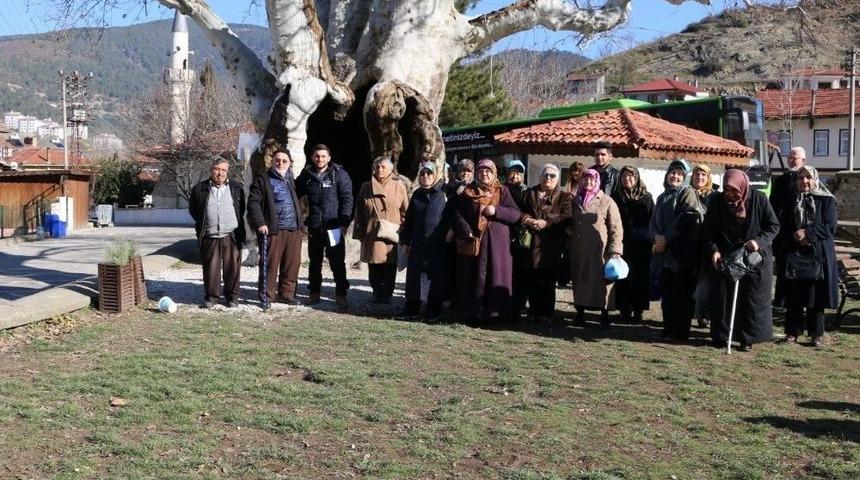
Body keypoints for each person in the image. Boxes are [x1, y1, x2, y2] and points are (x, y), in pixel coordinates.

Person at [702, 169, 780, 351]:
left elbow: (773, 226)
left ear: (743, 187)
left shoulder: (759, 200)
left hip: (754, 258)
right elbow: (707, 232)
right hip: (727, 256)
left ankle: (748, 338)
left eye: (735, 190)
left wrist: (758, 242)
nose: (730, 194)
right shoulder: (717, 202)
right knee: (723, 297)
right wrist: (714, 250)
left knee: (751, 298)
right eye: (727, 190)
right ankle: (721, 335)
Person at [453, 158, 522, 324]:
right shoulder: (468, 192)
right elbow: (457, 214)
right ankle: (473, 313)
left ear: (494, 173)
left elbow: (515, 214)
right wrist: (467, 231)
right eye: (481, 171)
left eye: (488, 171)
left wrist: (496, 211)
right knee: (473, 277)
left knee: (495, 276)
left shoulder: (502, 191)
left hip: (496, 245)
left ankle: (495, 315)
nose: (484, 174)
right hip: (474, 243)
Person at [777, 165, 838, 347]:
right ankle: (792, 332)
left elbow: (830, 226)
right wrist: (795, 235)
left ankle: (815, 334)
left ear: (815, 179)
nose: (804, 181)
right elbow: (782, 225)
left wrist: (808, 234)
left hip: (818, 253)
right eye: (800, 178)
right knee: (794, 292)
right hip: (794, 251)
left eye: (808, 178)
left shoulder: (826, 200)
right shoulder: (790, 200)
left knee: (815, 294)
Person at [650, 159, 704, 341]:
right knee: (668, 293)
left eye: (679, 174)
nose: (675, 176)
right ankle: (668, 328)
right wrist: (656, 237)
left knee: (681, 295)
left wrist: (666, 238)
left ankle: (680, 333)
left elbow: (685, 219)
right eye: (672, 173)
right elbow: (653, 221)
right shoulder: (662, 196)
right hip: (663, 252)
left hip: (682, 254)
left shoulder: (688, 193)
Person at [295, 144, 354, 311]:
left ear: (329, 158)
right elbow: (294, 193)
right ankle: (314, 293)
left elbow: (347, 199)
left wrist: (343, 223)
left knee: (337, 263)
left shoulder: (339, 174)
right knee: (315, 263)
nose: (319, 159)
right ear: (312, 157)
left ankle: (341, 295)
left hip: (334, 227)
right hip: (314, 227)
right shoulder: (307, 175)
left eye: (323, 156)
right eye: (316, 156)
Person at [247, 149, 304, 309]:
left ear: (290, 163)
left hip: (293, 229)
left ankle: (287, 294)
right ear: (272, 162)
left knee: (292, 264)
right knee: (270, 264)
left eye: (284, 161)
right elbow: (253, 203)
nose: (280, 163)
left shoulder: (291, 179)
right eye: (277, 160)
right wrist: (260, 223)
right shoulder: (263, 179)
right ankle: (267, 296)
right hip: (273, 230)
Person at [515, 163, 572, 321]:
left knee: (548, 281)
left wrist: (547, 222)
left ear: (557, 179)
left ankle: (546, 314)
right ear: (540, 177)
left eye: (552, 176)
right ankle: (533, 312)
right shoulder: (528, 193)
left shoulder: (564, 197)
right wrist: (527, 220)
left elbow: (566, 216)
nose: (548, 178)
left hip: (551, 245)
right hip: (530, 243)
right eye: (545, 175)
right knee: (531, 279)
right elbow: (518, 212)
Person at [188, 158, 246, 308]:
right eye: (217, 169)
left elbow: (242, 209)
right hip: (210, 235)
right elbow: (194, 210)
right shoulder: (199, 189)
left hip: (231, 235)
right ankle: (212, 297)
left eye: (223, 170)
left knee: (232, 268)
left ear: (227, 172)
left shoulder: (237, 188)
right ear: (211, 170)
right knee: (211, 268)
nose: (220, 173)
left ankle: (232, 297)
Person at [569, 168, 623, 326]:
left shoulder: (606, 201)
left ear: (597, 181)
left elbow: (616, 228)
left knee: (602, 282)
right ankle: (580, 314)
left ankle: (604, 315)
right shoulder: (575, 200)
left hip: (600, 250)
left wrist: (615, 250)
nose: (588, 182)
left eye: (592, 179)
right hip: (578, 249)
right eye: (585, 178)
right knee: (579, 280)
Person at [353, 156, 409, 304]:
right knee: (374, 263)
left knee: (389, 265)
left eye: (383, 167)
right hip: (372, 231)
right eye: (377, 167)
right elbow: (359, 211)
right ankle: (377, 292)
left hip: (391, 232)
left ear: (390, 169)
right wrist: (359, 232)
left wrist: (404, 231)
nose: (380, 169)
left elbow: (406, 211)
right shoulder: (366, 187)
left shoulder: (399, 186)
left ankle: (387, 294)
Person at [400, 161, 448, 319]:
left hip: (438, 244)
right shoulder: (417, 194)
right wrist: (406, 242)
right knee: (414, 277)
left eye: (429, 173)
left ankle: (433, 311)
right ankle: (412, 309)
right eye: (422, 173)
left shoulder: (444, 192)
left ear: (435, 175)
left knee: (435, 278)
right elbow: (409, 221)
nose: (425, 176)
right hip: (418, 243)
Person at [611, 165, 653, 324]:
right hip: (624, 243)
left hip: (642, 245)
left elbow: (652, 219)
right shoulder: (616, 196)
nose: (626, 179)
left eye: (630, 176)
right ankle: (624, 310)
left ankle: (638, 311)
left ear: (636, 178)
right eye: (623, 177)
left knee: (640, 278)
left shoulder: (646, 197)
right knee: (623, 277)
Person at [771, 146, 807, 304]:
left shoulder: (809, 179)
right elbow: (773, 205)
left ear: (803, 161)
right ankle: (781, 299)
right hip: (784, 231)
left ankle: (798, 299)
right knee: (783, 266)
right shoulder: (780, 180)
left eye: (795, 158)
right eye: (790, 158)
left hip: (802, 231)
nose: (791, 161)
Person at [691, 163, 720, 328]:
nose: (700, 178)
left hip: (708, 245)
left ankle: (705, 315)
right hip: (690, 244)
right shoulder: (687, 193)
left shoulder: (715, 197)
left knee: (706, 283)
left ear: (708, 178)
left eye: (703, 175)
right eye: (697, 174)